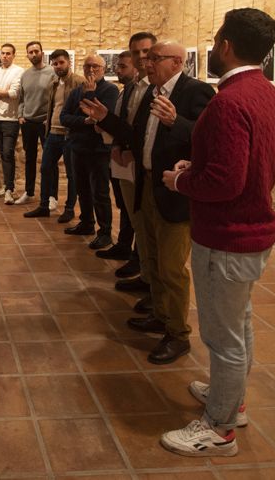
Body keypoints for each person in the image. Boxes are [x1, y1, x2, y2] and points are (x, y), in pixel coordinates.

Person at [158, 9, 275, 457]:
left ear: (227, 46)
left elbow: (226, 182)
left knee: (222, 336)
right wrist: (199, 168)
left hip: (227, 236)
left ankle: (219, 428)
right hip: (251, 230)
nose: (212, 49)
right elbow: (247, 167)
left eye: (214, 41)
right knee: (241, 322)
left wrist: (181, 181)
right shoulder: (266, 92)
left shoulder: (230, 100)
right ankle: (232, 399)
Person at [83, 40, 215, 365]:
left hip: (173, 192)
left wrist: (177, 123)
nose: (147, 63)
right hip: (147, 186)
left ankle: (177, 334)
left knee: (171, 268)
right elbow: (135, 135)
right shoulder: (152, 93)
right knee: (152, 259)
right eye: (146, 57)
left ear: (177, 62)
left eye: (154, 58)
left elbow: (210, 138)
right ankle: (159, 314)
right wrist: (105, 119)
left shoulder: (195, 92)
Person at [110, 33, 155, 304]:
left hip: (147, 167)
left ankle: (154, 288)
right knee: (136, 219)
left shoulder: (156, 87)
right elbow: (126, 123)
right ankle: (145, 274)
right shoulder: (132, 87)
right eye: (135, 52)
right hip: (127, 163)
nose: (141, 57)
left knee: (149, 229)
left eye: (146, 51)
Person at [60, 54, 118, 250]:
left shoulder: (110, 90)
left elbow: (99, 117)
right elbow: (64, 117)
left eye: (96, 66)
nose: (91, 70)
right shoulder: (77, 91)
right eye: (87, 66)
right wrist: (83, 121)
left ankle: (105, 232)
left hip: (99, 149)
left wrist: (91, 95)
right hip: (78, 146)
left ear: (103, 69)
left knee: (100, 191)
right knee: (82, 188)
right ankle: (86, 223)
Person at [25, 48, 81, 221]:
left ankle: (70, 209)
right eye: (55, 64)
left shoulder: (79, 82)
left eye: (61, 62)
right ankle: (44, 205)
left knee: (72, 174)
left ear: (68, 62)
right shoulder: (54, 83)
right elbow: (53, 107)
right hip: (53, 132)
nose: (58, 66)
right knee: (46, 168)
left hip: (69, 135)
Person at [101, 49, 139, 262]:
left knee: (132, 207)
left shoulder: (137, 91)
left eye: (123, 66)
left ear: (136, 68)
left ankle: (136, 255)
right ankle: (124, 245)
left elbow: (129, 125)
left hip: (131, 157)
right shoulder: (124, 91)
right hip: (118, 154)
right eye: (117, 66)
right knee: (124, 203)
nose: (117, 70)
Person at [17, 40, 55, 205]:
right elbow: (21, 98)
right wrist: (20, 115)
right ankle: (29, 192)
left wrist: (51, 117)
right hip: (28, 122)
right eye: (31, 52)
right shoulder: (25, 75)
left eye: (36, 51)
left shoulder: (52, 72)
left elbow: (57, 98)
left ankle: (52, 196)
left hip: (45, 123)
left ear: (42, 53)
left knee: (49, 160)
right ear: (27, 55)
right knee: (30, 158)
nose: (34, 54)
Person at [0, 43, 24, 204]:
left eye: (8, 53)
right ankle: (7, 184)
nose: (5, 56)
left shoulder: (19, 71)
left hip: (11, 119)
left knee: (8, 153)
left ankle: (10, 189)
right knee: (2, 153)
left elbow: (15, 93)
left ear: (13, 55)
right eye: (3, 53)